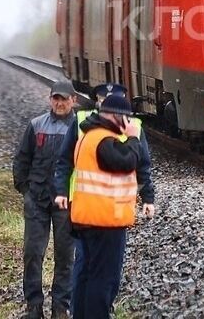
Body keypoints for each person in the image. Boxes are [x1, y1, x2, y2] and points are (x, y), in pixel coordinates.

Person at [61, 94, 152, 319]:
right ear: (115, 116)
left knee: (87, 276)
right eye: (126, 118)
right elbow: (127, 161)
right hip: (104, 220)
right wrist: (132, 138)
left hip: (87, 218)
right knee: (104, 279)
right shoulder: (104, 139)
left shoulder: (89, 135)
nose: (129, 124)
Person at [13, 80, 78, 319]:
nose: (59, 103)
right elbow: (22, 159)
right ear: (50, 99)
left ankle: (60, 307)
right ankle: (34, 307)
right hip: (37, 200)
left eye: (64, 99)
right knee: (32, 253)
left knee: (65, 256)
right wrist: (25, 189)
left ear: (74, 100)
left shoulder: (81, 128)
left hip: (66, 202)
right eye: (55, 98)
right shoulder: (36, 125)